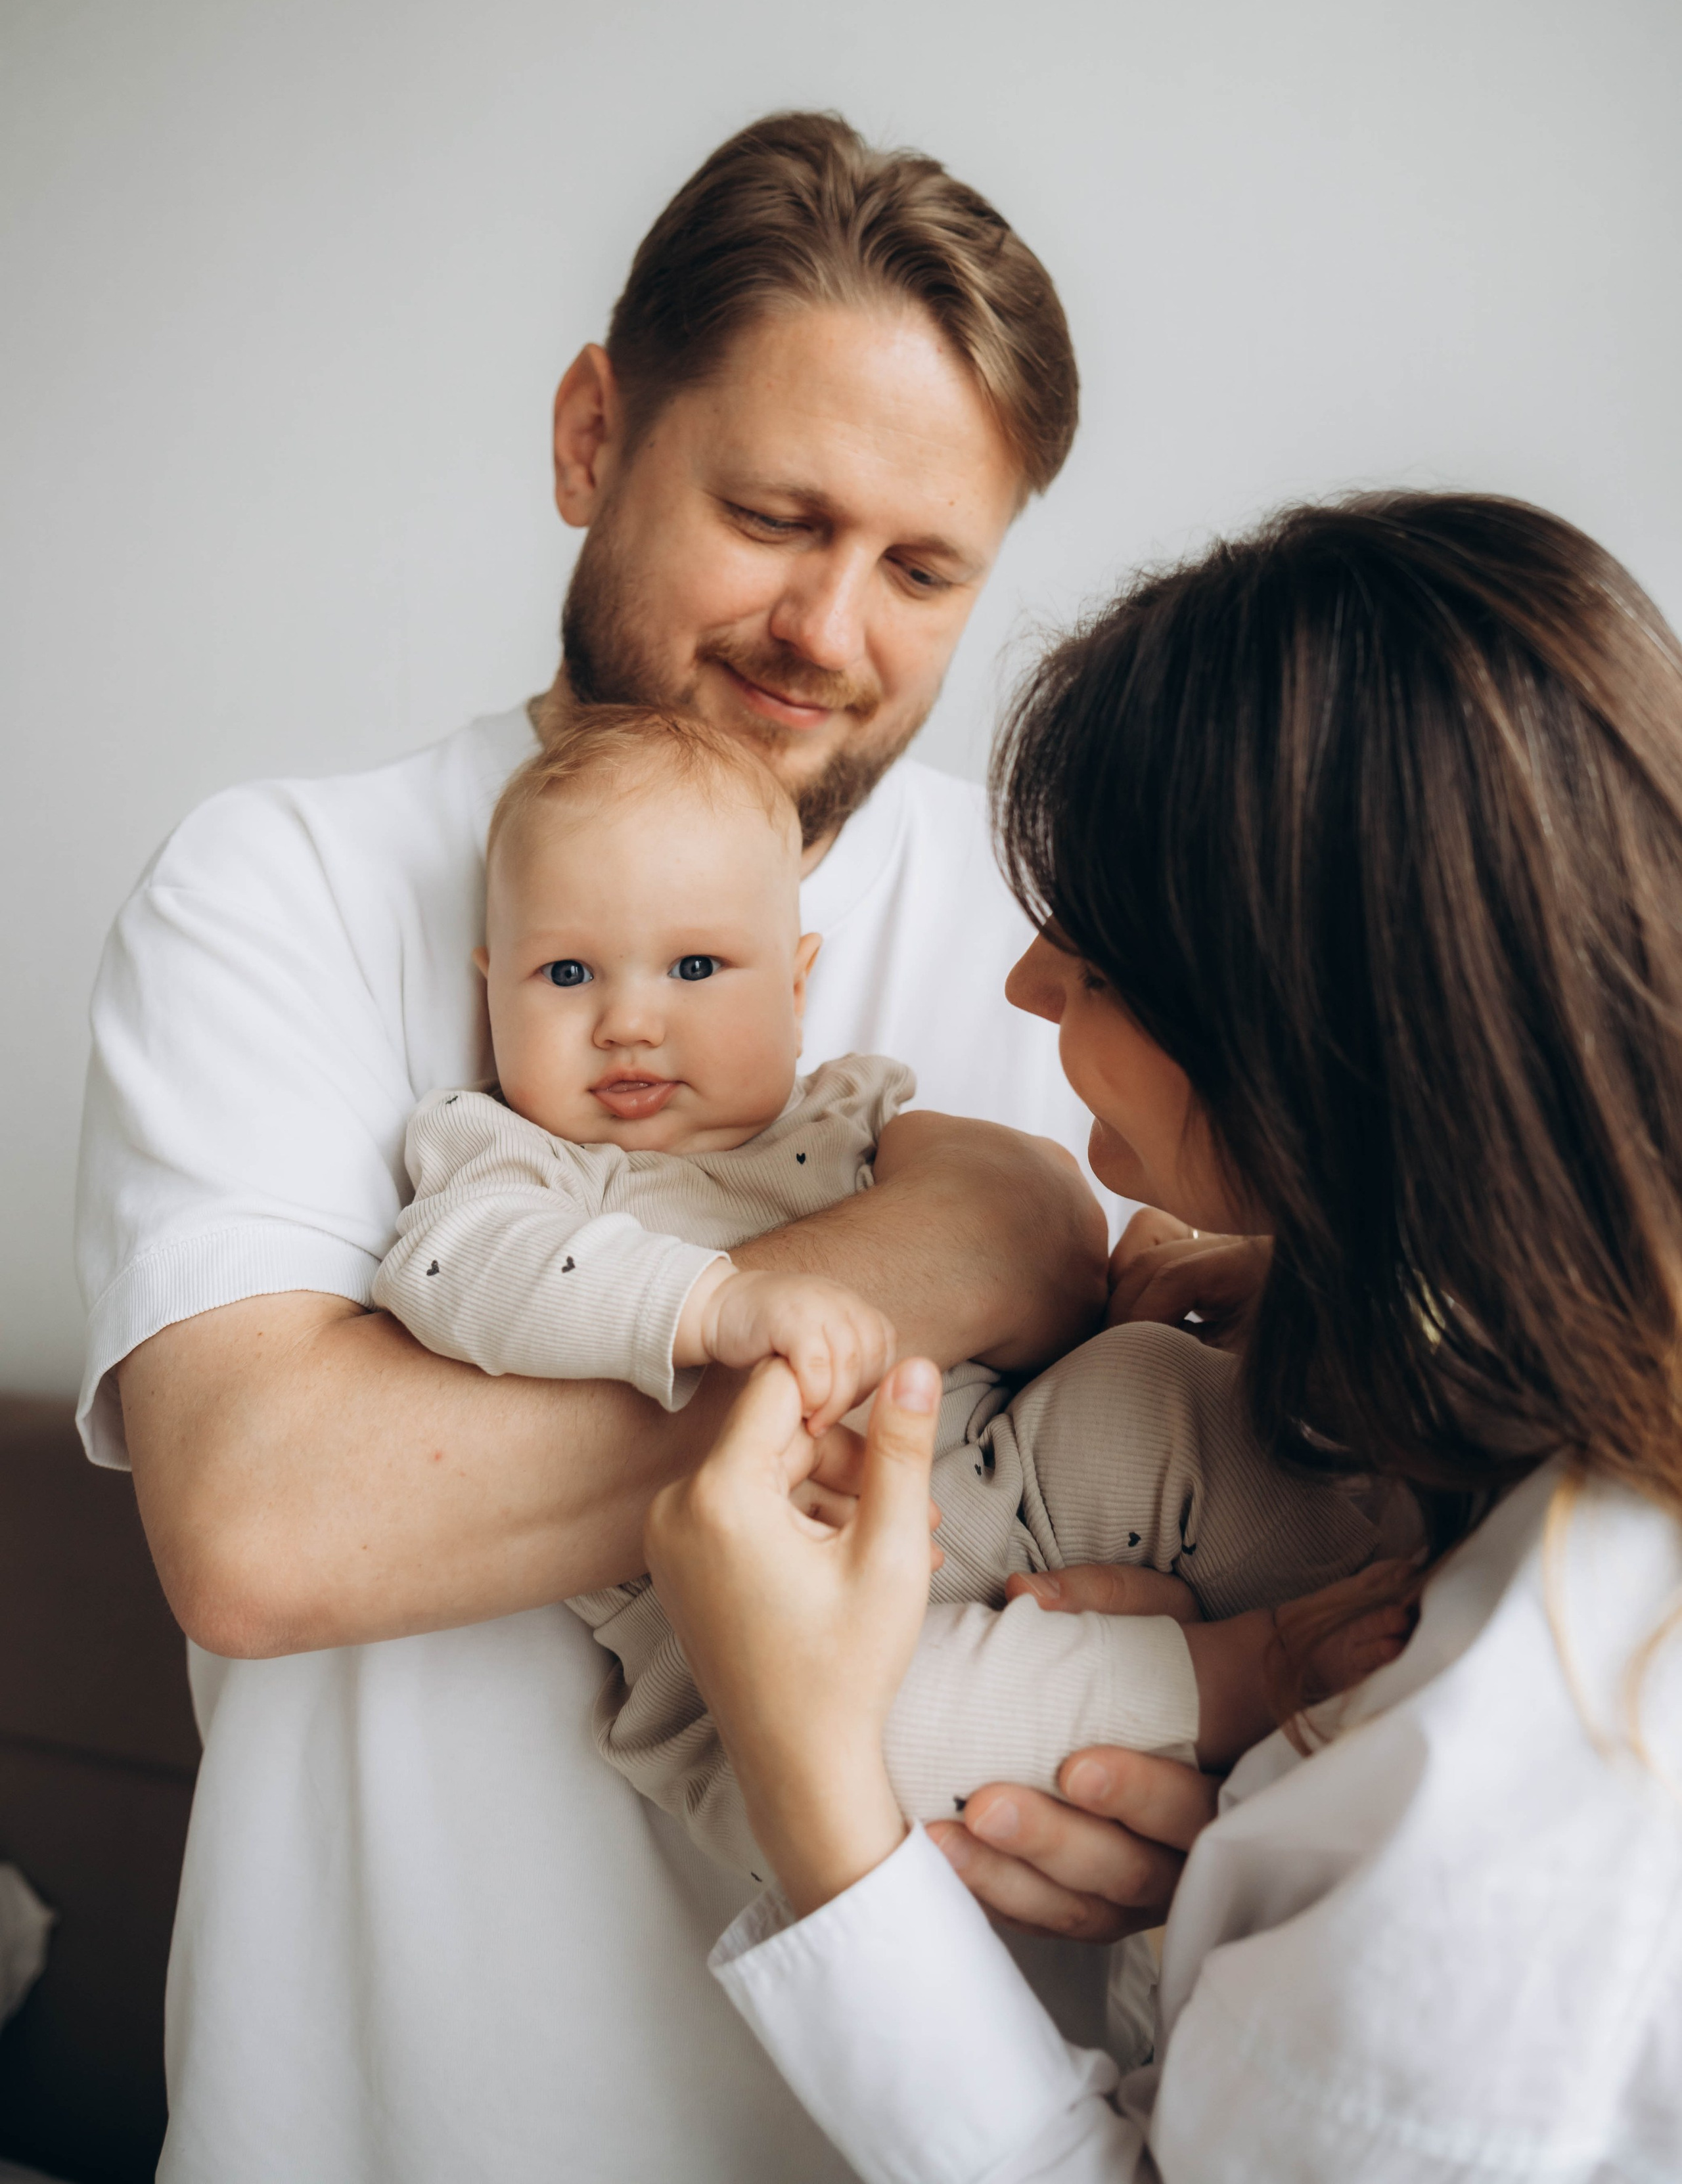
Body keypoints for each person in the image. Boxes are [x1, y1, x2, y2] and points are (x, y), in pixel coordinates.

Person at [76, 110, 1187, 2183]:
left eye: (923, 569)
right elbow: (265, 1525)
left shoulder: (1069, 946)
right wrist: (953, 1265)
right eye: (775, 516)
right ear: (594, 434)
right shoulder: (278, 888)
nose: (829, 629)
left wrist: (1171, 1731)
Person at [648, 491, 1682, 2181]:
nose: (1023, 987)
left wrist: (813, 1785)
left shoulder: (1554, 1755)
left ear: (1314, 1040)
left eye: (1101, 960)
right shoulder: (1487, 1435)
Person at [377, 702, 1388, 1879]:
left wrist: (1148, 1285)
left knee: (1154, 1385)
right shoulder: (517, 1158)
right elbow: (456, 1271)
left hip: (1002, 1480)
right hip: (759, 1642)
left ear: (797, 983)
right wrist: (711, 1304)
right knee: (881, 1742)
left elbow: (1043, 1246)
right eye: (566, 973)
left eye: (696, 967)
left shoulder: (855, 1115)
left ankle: (1380, 1587)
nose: (630, 1023)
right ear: (491, 989)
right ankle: (1246, 1676)